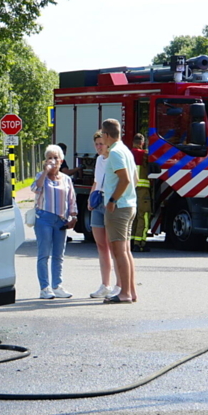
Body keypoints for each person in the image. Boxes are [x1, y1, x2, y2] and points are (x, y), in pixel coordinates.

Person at [31, 144, 78, 299]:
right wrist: (45, 171)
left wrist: (74, 215)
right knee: (44, 253)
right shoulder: (41, 176)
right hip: (44, 218)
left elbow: (71, 199)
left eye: (55, 158)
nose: (52, 161)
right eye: (49, 158)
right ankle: (44, 288)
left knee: (59, 254)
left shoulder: (66, 179)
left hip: (61, 220)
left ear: (61, 160)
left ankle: (57, 285)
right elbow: (36, 189)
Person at [101, 119, 138, 304]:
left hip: (120, 206)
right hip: (129, 204)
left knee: (119, 251)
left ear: (107, 135)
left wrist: (112, 200)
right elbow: (135, 178)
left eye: (102, 135)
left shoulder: (115, 152)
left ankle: (124, 293)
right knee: (126, 251)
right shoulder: (126, 150)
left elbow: (125, 180)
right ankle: (130, 291)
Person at [87, 131, 119, 299]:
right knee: (101, 245)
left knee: (114, 245)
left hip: (110, 202)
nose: (99, 147)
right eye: (96, 144)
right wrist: (90, 199)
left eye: (101, 143)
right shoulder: (99, 160)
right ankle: (105, 284)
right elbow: (96, 181)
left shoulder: (114, 158)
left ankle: (119, 284)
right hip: (98, 201)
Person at [130, 133, 152, 252]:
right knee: (143, 216)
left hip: (130, 190)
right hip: (143, 190)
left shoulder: (128, 154)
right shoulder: (144, 154)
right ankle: (140, 243)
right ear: (142, 143)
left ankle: (131, 241)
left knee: (132, 216)